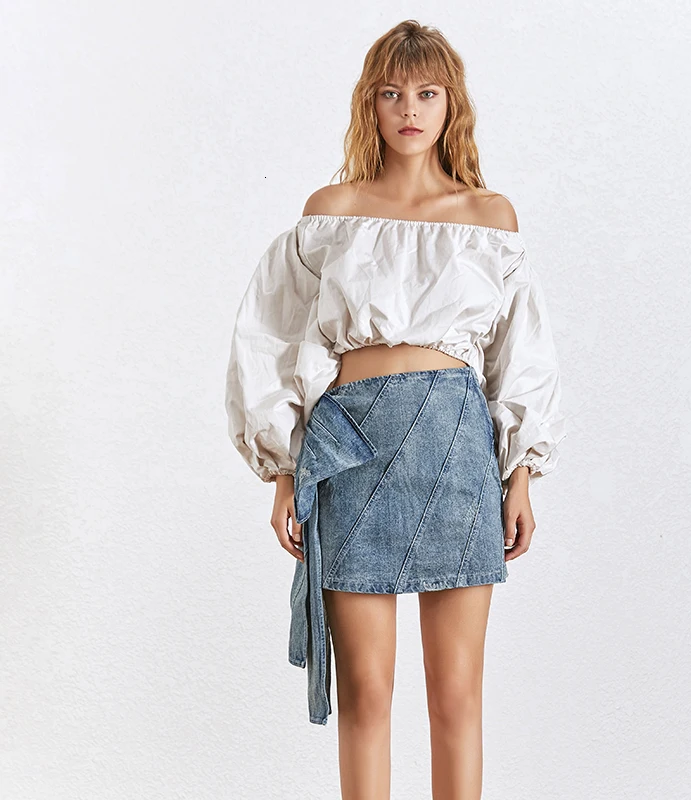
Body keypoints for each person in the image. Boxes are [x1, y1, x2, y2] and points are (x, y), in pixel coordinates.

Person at [225, 19, 567, 800]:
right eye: (391, 93)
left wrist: (521, 476)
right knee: (367, 694)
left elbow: (522, 356)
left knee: (456, 696)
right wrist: (283, 474)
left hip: (458, 457)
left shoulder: (490, 217)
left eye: (426, 92)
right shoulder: (330, 212)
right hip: (351, 452)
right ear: (370, 104)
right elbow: (269, 339)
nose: (409, 109)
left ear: (452, 104)